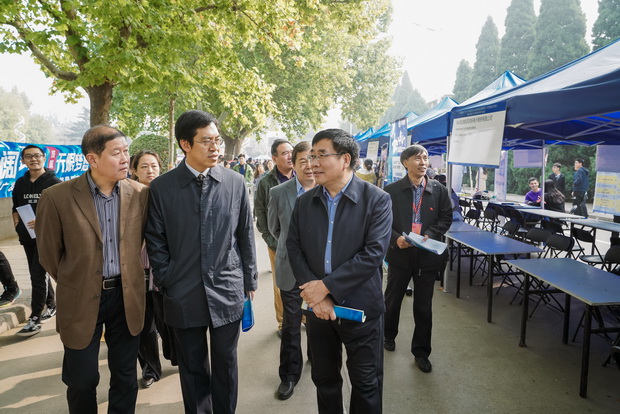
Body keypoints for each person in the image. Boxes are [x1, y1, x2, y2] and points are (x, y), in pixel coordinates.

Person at [146, 110, 257, 414]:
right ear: (185, 144)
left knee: (226, 363)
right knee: (192, 367)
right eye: (206, 141)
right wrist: (168, 279)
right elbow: (155, 240)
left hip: (227, 288)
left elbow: (245, 234)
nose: (215, 148)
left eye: (217, 140)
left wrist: (248, 281)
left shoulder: (234, 182)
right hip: (182, 291)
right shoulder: (162, 188)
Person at [36, 125, 149, 413]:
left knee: (125, 377)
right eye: (116, 153)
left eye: (126, 151)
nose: (124, 158)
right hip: (80, 298)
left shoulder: (140, 194)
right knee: (82, 380)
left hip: (126, 297)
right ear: (92, 159)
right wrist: (78, 279)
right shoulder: (57, 197)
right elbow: (49, 254)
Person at [287, 128, 392, 413]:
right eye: (311, 156)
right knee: (324, 379)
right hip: (319, 311)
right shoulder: (305, 201)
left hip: (360, 308)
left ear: (345, 159)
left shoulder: (377, 199)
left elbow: (373, 254)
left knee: (366, 382)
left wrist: (325, 288)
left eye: (321, 155)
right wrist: (317, 296)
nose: (313, 163)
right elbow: (293, 248)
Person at [383, 145, 452, 374]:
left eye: (425, 158)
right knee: (392, 300)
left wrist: (430, 234)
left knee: (423, 307)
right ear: (405, 163)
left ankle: (421, 352)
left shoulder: (439, 190)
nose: (423, 162)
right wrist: (396, 239)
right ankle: (388, 335)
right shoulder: (391, 191)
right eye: (417, 158)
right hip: (400, 255)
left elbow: (446, 218)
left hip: (426, 256)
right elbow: (382, 221)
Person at [267, 141, 315, 401]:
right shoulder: (278, 192)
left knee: (319, 321)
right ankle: (288, 375)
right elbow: (275, 229)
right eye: (302, 160)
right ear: (293, 165)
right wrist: (290, 249)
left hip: (320, 271)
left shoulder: (327, 189)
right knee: (291, 324)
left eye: (312, 159)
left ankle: (316, 359)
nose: (308, 165)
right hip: (289, 268)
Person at [132, 150, 177, 389]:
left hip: (164, 269)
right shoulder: (129, 196)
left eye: (154, 166)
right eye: (144, 166)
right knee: (143, 325)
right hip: (137, 270)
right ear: (134, 171)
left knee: (168, 320)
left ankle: (176, 354)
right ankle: (150, 368)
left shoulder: (170, 193)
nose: (150, 170)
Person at [12, 144, 61, 337]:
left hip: (46, 237)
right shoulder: (20, 183)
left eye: (37, 155)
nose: (34, 159)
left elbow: (63, 211)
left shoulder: (54, 182)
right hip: (27, 237)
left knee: (37, 275)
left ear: (44, 158)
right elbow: (16, 206)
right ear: (23, 160)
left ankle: (35, 318)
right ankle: (51, 304)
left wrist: (43, 221)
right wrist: (17, 225)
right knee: (39, 273)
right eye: (29, 156)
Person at [255, 139, 295, 337]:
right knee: (281, 284)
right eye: (285, 153)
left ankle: (303, 317)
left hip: (302, 242)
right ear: (274, 158)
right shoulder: (266, 182)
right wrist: (272, 241)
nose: (290, 156)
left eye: (291, 152)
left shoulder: (303, 176)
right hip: (278, 242)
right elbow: (261, 214)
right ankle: (282, 322)